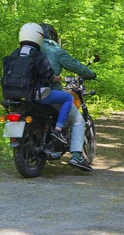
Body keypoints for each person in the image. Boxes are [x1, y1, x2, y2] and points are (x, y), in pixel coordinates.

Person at [39, 22, 97, 171]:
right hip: (49, 93)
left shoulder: (29, 50)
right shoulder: (55, 50)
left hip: (26, 94)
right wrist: (90, 74)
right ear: (53, 36)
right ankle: (77, 156)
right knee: (78, 120)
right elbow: (75, 65)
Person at [13, 23, 74, 145]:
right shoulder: (38, 54)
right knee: (68, 97)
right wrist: (59, 78)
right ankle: (58, 130)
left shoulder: (15, 54)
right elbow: (49, 76)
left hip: (15, 96)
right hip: (36, 94)